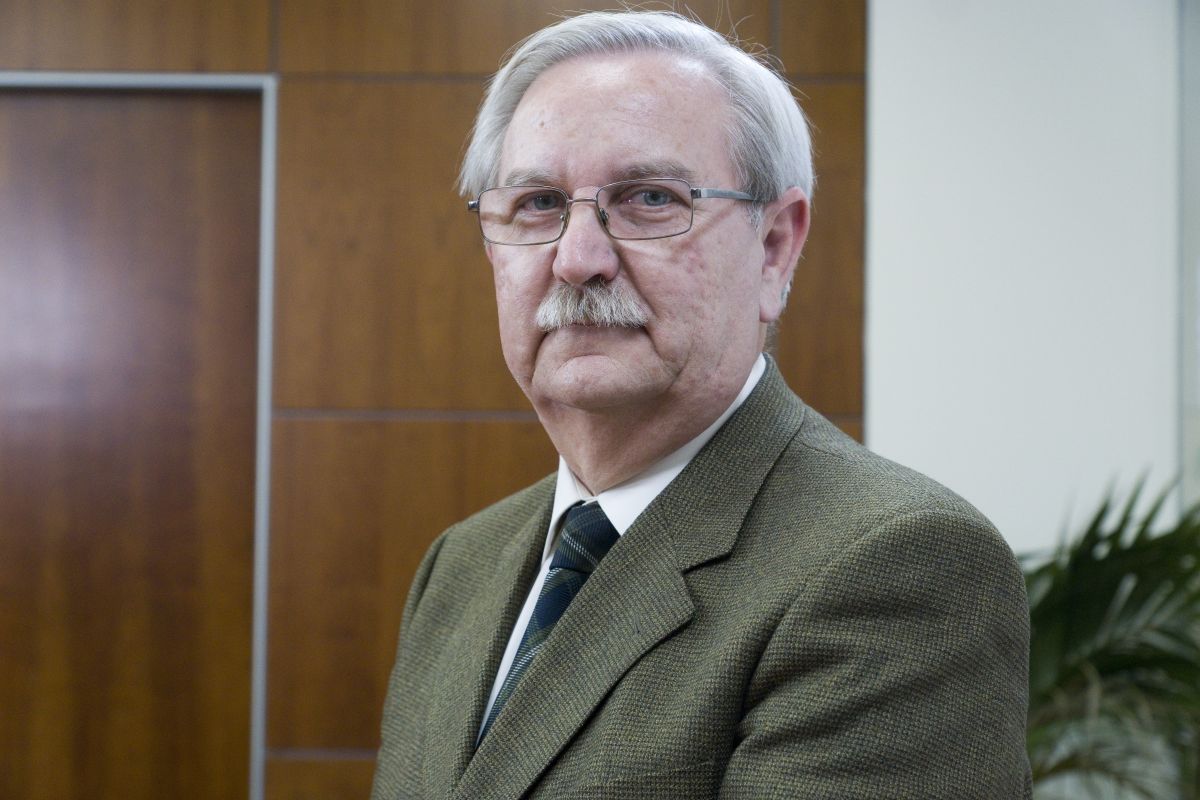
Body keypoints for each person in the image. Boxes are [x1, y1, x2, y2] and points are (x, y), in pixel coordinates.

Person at [370, 10, 1031, 799]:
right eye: (539, 204)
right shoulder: (461, 564)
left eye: (649, 198)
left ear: (775, 247)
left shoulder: (892, 567)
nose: (577, 259)